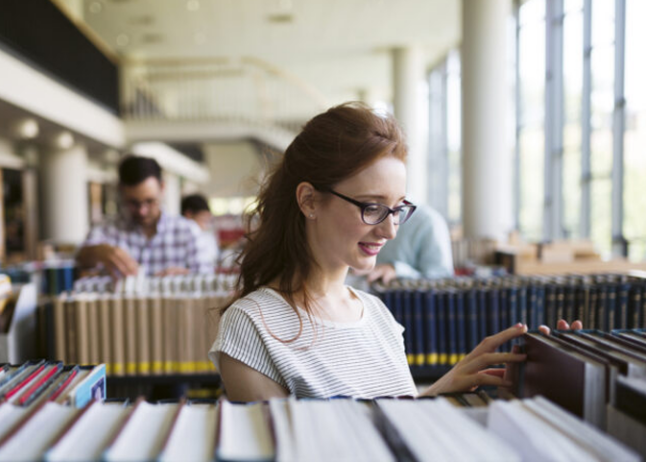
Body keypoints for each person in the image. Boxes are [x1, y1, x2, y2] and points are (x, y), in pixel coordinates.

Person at [208, 102, 581, 402]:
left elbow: (392, 428)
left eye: (398, 208)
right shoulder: (252, 326)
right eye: (371, 207)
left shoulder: (377, 315)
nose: (389, 230)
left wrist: (448, 389)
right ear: (309, 200)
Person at [76, 155, 213, 277]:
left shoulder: (189, 232)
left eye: (150, 201)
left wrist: (188, 279)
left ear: (162, 187)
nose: (142, 211)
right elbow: (80, 258)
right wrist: (99, 251)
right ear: (121, 191)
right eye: (133, 203)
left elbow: (208, 279)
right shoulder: (106, 229)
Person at [365, 202, 454, 285]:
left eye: (396, 212)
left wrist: (397, 270)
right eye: (371, 209)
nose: (391, 234)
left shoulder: (429, 221)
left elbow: (442, 281)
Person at [181, 193, 220, 270]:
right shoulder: (191, 228)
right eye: (203, 219)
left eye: (208, 220)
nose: (206, 225)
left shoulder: (206, 235)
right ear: (188, 214)